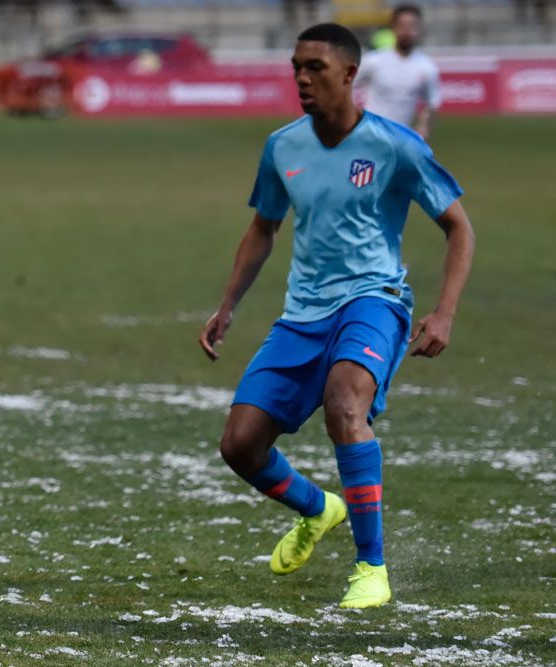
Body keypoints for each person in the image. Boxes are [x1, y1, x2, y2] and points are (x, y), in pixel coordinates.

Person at [198, 23, 473, 608]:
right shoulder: (283, 146)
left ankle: (372, 568)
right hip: (303, 315)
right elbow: (263, 228)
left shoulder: (395, 145)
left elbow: (459, 228)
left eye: (315, 67)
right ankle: (319, 509)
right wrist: (228, 306)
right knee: (239, 445)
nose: (302, 77)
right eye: (296, 66)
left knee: (346, 403)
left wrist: (444, 312)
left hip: (374, 300)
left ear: (350, 74)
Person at [354, 5, 441, 138]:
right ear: (393, 28)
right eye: (402, 26)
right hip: (370, 136)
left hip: (401, 140)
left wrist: (423, 128)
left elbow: (432, 102)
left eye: (412, 26)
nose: (407, 31)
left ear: (419, 29)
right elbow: (345, 85)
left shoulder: (427, 67)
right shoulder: (374, 60)